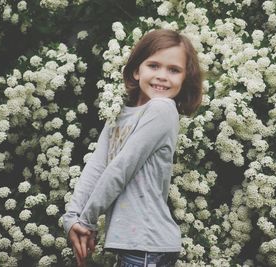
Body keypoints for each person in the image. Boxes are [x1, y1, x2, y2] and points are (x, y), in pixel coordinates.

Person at [62, 28, 203, 267]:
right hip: (134, 246)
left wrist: (87, 222)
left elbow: (121, 168)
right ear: (137, 70)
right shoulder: (117, 114)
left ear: (184, 79)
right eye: (154, 65)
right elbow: (97, 167)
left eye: (174, 70)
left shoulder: (162, 110)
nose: (162, 76)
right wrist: (72, 218)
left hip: (148, 244)